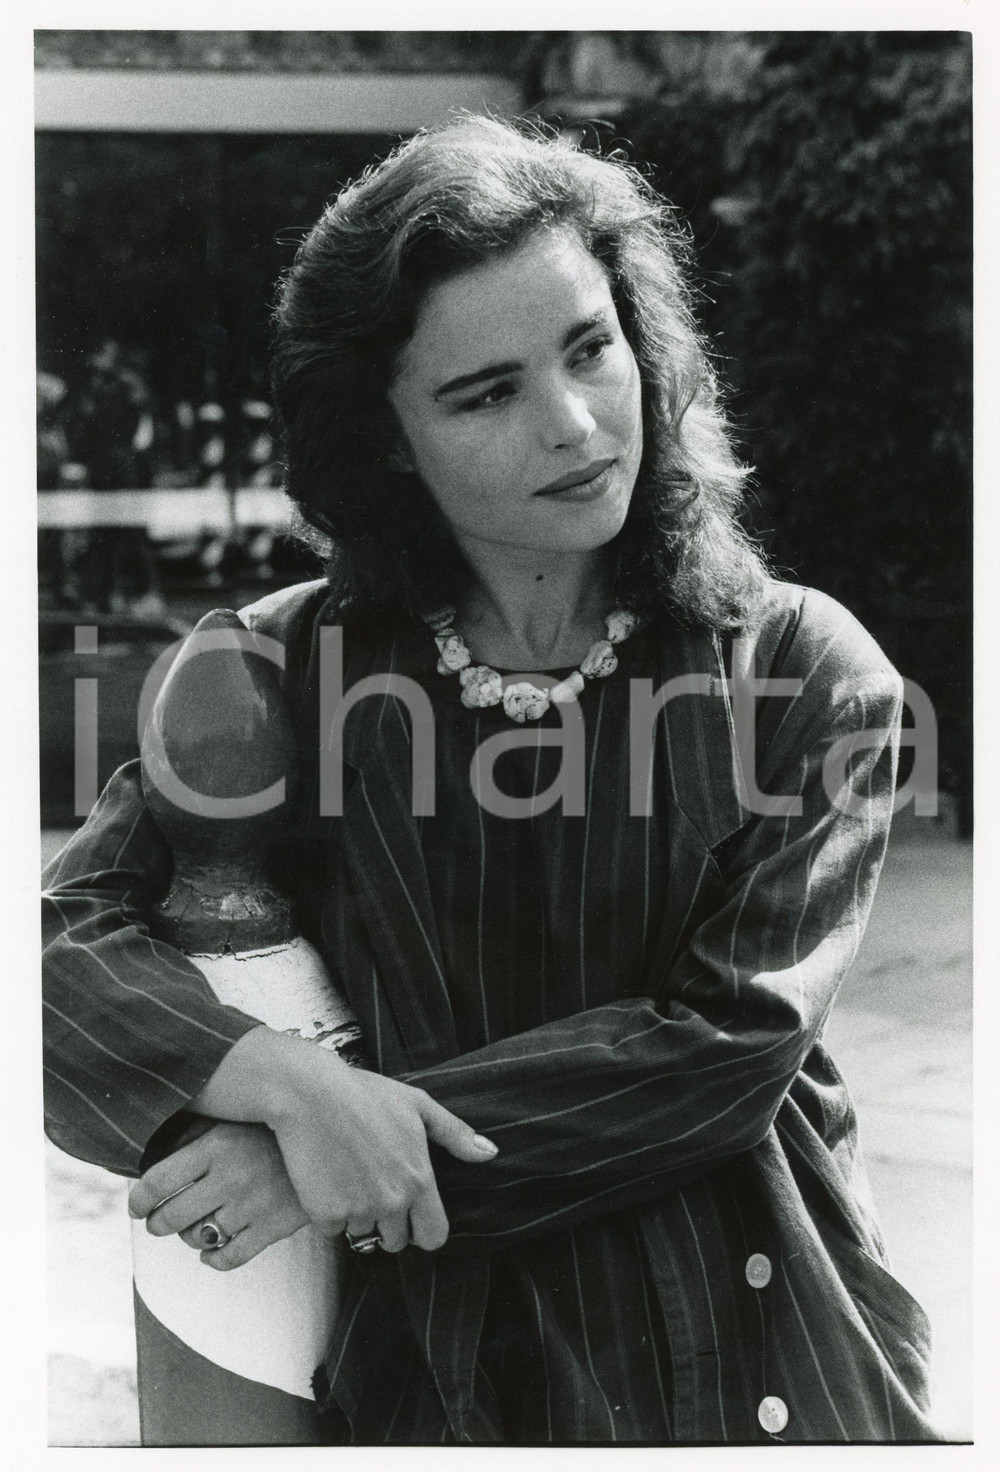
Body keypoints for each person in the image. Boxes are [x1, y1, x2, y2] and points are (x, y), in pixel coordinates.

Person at [42, 115, 940, 1445]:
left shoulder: (802, 671)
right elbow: (55, 952)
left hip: (754, 1361)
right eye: (487, 394)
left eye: (591, 349)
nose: (574, 424)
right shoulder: (278, 674)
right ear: (387, 439)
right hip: (439, 1380)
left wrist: (333, 1164)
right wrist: (286, 1091)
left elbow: (725, 1048)